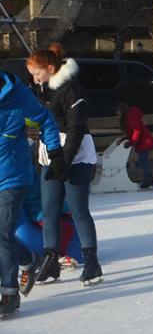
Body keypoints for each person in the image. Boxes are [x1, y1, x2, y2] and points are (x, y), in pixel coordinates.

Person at [26, 45, 103, 286]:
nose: (34, 78)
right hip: (50, 154)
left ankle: (92, 261)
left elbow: (76, 127)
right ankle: (51, 259)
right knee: (50, 210)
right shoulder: (44, 90)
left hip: (75, 154)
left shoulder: (71, 89)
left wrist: (65, 160)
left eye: (37, 73)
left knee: (79, 209)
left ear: (50, 68)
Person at [0, 66, 63, 317]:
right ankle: (27, 258)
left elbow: (45, 119)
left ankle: (9, 293)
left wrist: (55, 150)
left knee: (2, 231)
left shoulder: (18, 95)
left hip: (13, 177)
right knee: (5, 233)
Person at [116, 102, 153, 189]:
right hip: (142, 141)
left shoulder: (131, 117)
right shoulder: (128, 117)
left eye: (118, 113)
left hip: (145, 141)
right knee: (143, 160)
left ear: (122, 112)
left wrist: (131, 142)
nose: (117, 115)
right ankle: (150, 179)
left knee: (142, 160)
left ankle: (149, 180)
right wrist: (125, 139)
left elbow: (137, 131)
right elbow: (132, 132)